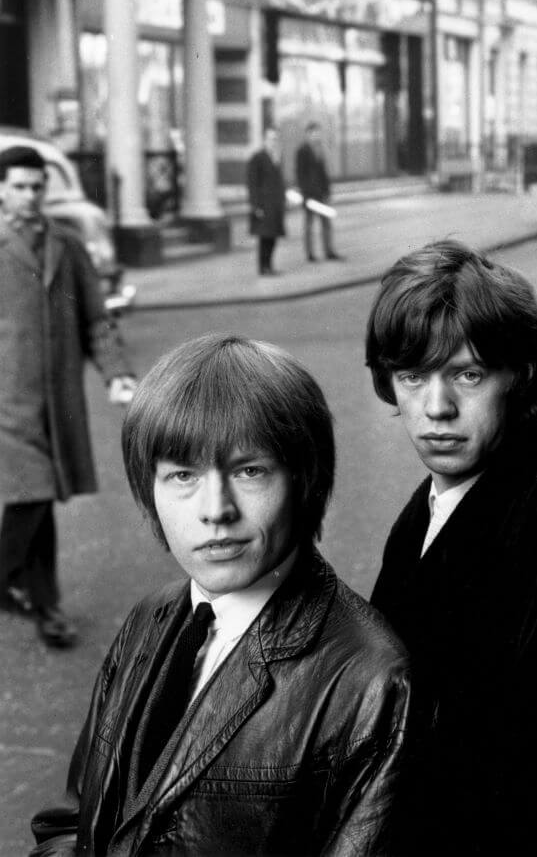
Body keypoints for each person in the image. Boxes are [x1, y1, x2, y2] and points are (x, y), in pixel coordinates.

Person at [30, 334, 414, 856]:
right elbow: (73, 823)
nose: (215, 510)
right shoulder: (151, 616)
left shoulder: (375, 681)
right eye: (183, 475)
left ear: (305, 480)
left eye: (249, 471)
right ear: (150, 491)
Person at [366, 240, 537, 855]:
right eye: (413, 376)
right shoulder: (429, 507)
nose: (436, 409)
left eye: (467, 375)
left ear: (517, 376)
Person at [0, 144, 136, 650]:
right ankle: (38, 599)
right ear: (1, 189)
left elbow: (97, 320)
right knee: (32, 493)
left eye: (37, 186)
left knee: (34, 499)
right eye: (19, 186)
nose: (30, 195)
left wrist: (116, 374)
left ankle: (35, 598)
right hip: (6, 401)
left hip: (58, 402)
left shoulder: (68, 246)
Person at [295, 121, 341, 262]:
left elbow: (323, 174)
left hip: (322, 193)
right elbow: (300, 175)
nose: (317, 136)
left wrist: (328, 191)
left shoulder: (320, 150)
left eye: (318, 133)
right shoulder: (302, 151)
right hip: (310, 195)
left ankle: (329, 251)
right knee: (309, 225)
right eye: (314, 133)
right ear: (308, 134)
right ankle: (310, 254)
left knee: (326, 223)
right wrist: (305, 195)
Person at [246, 126, 286, 276]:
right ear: (265, 140)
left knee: (273, 237)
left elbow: (279, 182)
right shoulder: (258, 158)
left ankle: (269, 265)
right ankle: (263, 267)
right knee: (265, 237)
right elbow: (252, 183)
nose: (273, 142)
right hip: (263, 205)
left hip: (275, 206)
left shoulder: (277, 158)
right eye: (271, 139)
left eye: (276, 139)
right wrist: (255, 205)